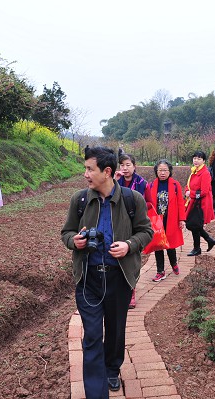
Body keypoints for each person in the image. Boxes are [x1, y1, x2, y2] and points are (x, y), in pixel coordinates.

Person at [61, 146, 153, 398]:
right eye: (86, 169)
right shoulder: (80, 200)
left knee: (115, 330)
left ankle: (113, 368)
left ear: (107, 171)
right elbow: (66, 232)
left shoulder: (132, 199)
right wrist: (74, 241)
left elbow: (146, 231)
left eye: (90, 169)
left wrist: (129, 245)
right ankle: (96, 393)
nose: (86, 174)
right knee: (91, 336)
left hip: (118, 278)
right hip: (89, 278)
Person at [144, 159, 186, 282]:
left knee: (170, 245)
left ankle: (174, 264)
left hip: (171, 219)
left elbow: (180, 202)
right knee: (158, 245)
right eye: (160, 170)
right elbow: (148, 202)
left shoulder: (175, 185)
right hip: (157, 220)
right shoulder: (151, 185)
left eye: (165, 170)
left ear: (170, 171)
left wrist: (182, 219)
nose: (162, 173)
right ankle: (160, 271)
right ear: (156, 171)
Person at [114, 153, 146, 309]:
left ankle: (131, 292)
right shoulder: (116, 180)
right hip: (117, 224)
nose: (125, 168)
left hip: (133, 225)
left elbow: (144, 204)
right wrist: (113, 179)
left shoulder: (141, 183)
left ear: (134, 166)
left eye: (128, 165)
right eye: (122, 165)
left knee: (132, 259)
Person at [185, 150, 215, 256]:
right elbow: (189, 185)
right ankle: (209, 241)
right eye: (194, 158)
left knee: (195, 225)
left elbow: (204, 191)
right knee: (195, 225)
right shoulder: (194, 171)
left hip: (201, 204)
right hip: (194, 202)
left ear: (203, 160)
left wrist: (191, 193)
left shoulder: (205, 173)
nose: (196, 161)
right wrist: (187, 192)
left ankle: (198, 248)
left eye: (199, 159)